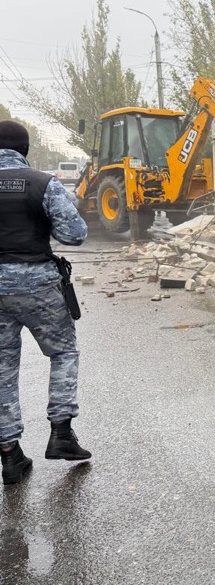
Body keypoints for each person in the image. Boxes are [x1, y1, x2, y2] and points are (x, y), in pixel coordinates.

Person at [0, 121, 91, 486]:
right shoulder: (42, 183)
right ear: (24, 149)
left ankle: (9, 455)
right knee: (64, 353)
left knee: (2, 369)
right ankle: (61, 434)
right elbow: (75, 234)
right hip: (37, 283)